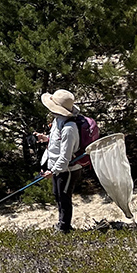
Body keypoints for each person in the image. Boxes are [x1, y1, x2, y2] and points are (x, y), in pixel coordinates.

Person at [34, 89, 82, 234]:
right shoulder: (58, 120)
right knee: (58, 194)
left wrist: (53, 171)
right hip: (58, 168)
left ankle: (64, 228)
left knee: (64, 197)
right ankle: (62, 224)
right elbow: (59, 142)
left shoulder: (69, 128)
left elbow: (65, 156)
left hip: (67, 170)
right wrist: (47, 139)